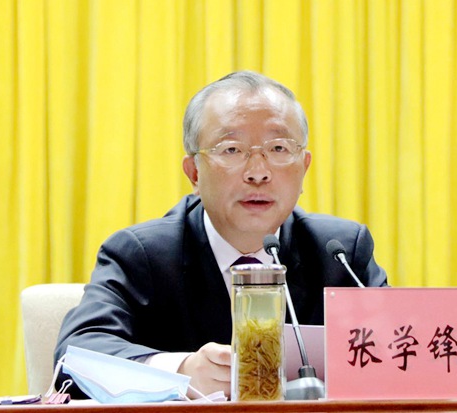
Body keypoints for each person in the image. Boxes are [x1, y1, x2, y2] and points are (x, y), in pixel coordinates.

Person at [54, 70, 388, 399]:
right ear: (194, 173)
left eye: (278, 148)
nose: (258, 173)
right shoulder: (144, 255)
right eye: (232, 150)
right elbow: (76, 355)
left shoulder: (340, 253)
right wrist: (180, 370)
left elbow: (399, 351)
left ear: (304, 167)